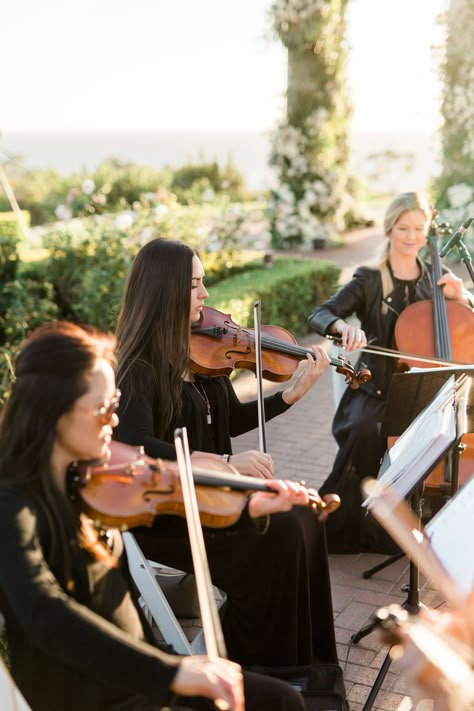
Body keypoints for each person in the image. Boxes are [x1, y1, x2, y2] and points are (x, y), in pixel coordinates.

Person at [0, 321, 311, 711]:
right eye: (103, 408)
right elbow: (45, 612)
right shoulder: (14, 505)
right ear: (54, 411)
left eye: (114, 404)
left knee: (279, 698)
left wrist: (248, 512)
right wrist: (172, 673)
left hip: (140, 672)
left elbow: (170, 502)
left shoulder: (86, 476)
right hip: (97, 695)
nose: (114, 421)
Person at [115, 237, 339, 669]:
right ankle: (263, 667)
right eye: (195, 285)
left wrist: (289, 395)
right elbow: (137, 445)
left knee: (305, 516)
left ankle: (308, 662)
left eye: (203, 282)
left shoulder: (202, 351)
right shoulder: (137, 368)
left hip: (219, 497)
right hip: (171, 512)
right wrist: (223, 463)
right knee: (282, 532)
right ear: (165, 291)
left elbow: (232, 420)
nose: (206, 294)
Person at [308, 191, 474, 554]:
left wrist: (463, 298)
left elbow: (463, 324)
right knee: (366, 432)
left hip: (420, 389)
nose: (411, 236)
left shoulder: (435, 276)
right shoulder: (369, 279)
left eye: (418, 228)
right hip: (375, 389)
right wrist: (341, 327)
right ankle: (351, 527)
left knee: (439, 435)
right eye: (403, 228)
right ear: (389, 228)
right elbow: (320, 314)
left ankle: (418, 520)